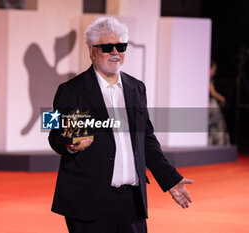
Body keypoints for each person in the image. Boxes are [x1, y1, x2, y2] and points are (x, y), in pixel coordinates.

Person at [48, 17, 193, 233]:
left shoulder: (137, 88)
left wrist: (170, 179)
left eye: (121, 46)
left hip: (131, 202)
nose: (115, 52)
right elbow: (55, 135)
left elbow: (146, 139)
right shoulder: (71, 90)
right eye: (107, 47)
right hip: (89, 203)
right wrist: (70, 144)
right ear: (92, 50)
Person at [208, 60, 230, 145]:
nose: (214, 72)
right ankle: (219, 143)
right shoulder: (209, 79)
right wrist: (221, 97)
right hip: (211, 105)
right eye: (213, 69)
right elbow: (213, 93)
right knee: (217, 123)